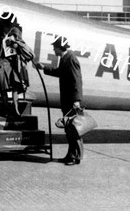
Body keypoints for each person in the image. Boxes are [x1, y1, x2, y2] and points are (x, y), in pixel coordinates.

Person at [35, 36, 83, 166]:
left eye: (54, 47)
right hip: (68, 100)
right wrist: (43, 68)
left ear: (59, 47)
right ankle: (71, 155)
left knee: (73, 130)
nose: (53, 49)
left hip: (72, 101)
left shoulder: (70, 59)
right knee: (69, 129)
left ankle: (74, 157)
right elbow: (60, 72)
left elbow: (76, 80)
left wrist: (77, 100)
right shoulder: (65, 59)